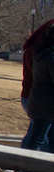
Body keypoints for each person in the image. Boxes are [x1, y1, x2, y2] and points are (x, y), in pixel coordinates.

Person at [21, 19, 54, 151]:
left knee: (42, 135)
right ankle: (28, 162)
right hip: (44, 102)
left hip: (38, 99)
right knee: (39, 137)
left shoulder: (39, 53)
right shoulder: (48, 56)